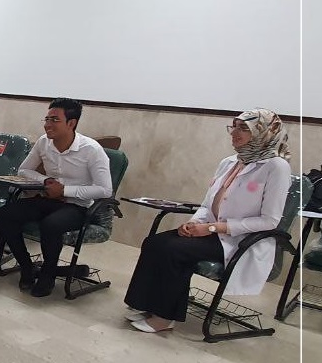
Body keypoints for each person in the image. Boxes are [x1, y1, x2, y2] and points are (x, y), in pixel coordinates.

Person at [124, 108, 292, 333]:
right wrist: (194, 224)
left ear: (264, 132)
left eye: (244, 128)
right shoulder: (230, 162)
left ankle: (164, 317)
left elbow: (269, 221)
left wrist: (213, 227)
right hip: (211, 231)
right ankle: (146, 305)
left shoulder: (276, 167)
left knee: (174, 250)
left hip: (241, 241)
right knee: (154, 242)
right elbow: (207, 205)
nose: (235, 133)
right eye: (234, 127)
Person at [0, 98, 112, 297]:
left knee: (51, 225)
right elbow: (24, 170)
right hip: (49, 200)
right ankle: (26, 266)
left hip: (78, 206)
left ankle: (47, 275)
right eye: (47, 119)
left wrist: (65, 191)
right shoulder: (44, 142)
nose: (48, 124)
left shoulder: (91, 150)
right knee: (6, 214)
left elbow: (105, 190)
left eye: (54, 120)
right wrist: (46, 180)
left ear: (71, 123)